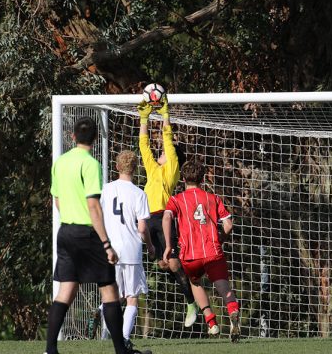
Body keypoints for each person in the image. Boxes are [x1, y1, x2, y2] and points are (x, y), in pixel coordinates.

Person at [46, 116, 151, 354]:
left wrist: (70, 221)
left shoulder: (60, 162)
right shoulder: (90, 163)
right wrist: (106, 243)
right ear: (95, 139)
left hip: (65, 232)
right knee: (110, 288)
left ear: (73, 136)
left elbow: (57, 199)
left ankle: (50, 349)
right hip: (86, 232)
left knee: (66, 290)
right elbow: (93, 206)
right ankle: (120, 350)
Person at [137, 97, 200, 328]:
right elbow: (143, 145)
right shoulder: (153, 168)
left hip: (163, 218)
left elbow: (167, 138)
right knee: (160, 263)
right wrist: (143, 118)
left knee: (172, 264)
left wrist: (164, 114)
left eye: (166, 151)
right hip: (145, 219)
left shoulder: (172, 168)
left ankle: (191, 302)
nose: (161, 152)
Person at [162, 160, 241, 342]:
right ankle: (232, 309)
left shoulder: (176, 199)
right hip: (213, 251)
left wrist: (168, 245)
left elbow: (166, 217)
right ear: (203, 178)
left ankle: (211, 322)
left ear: (183, 178)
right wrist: (221, 238)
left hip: (191, 255)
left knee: (195, 282)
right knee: (222, 285)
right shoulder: (213, 198)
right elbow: (228, 224)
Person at [101, 150, 155, 350]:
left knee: (111, 296)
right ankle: (123, 338)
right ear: (135, 168)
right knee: (132, 297)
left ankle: (101, 315)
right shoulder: (139, 194)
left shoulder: (106, 189)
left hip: (111, 250)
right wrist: (150, 246)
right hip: (131, 250)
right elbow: (142, 228)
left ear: (117, 167)